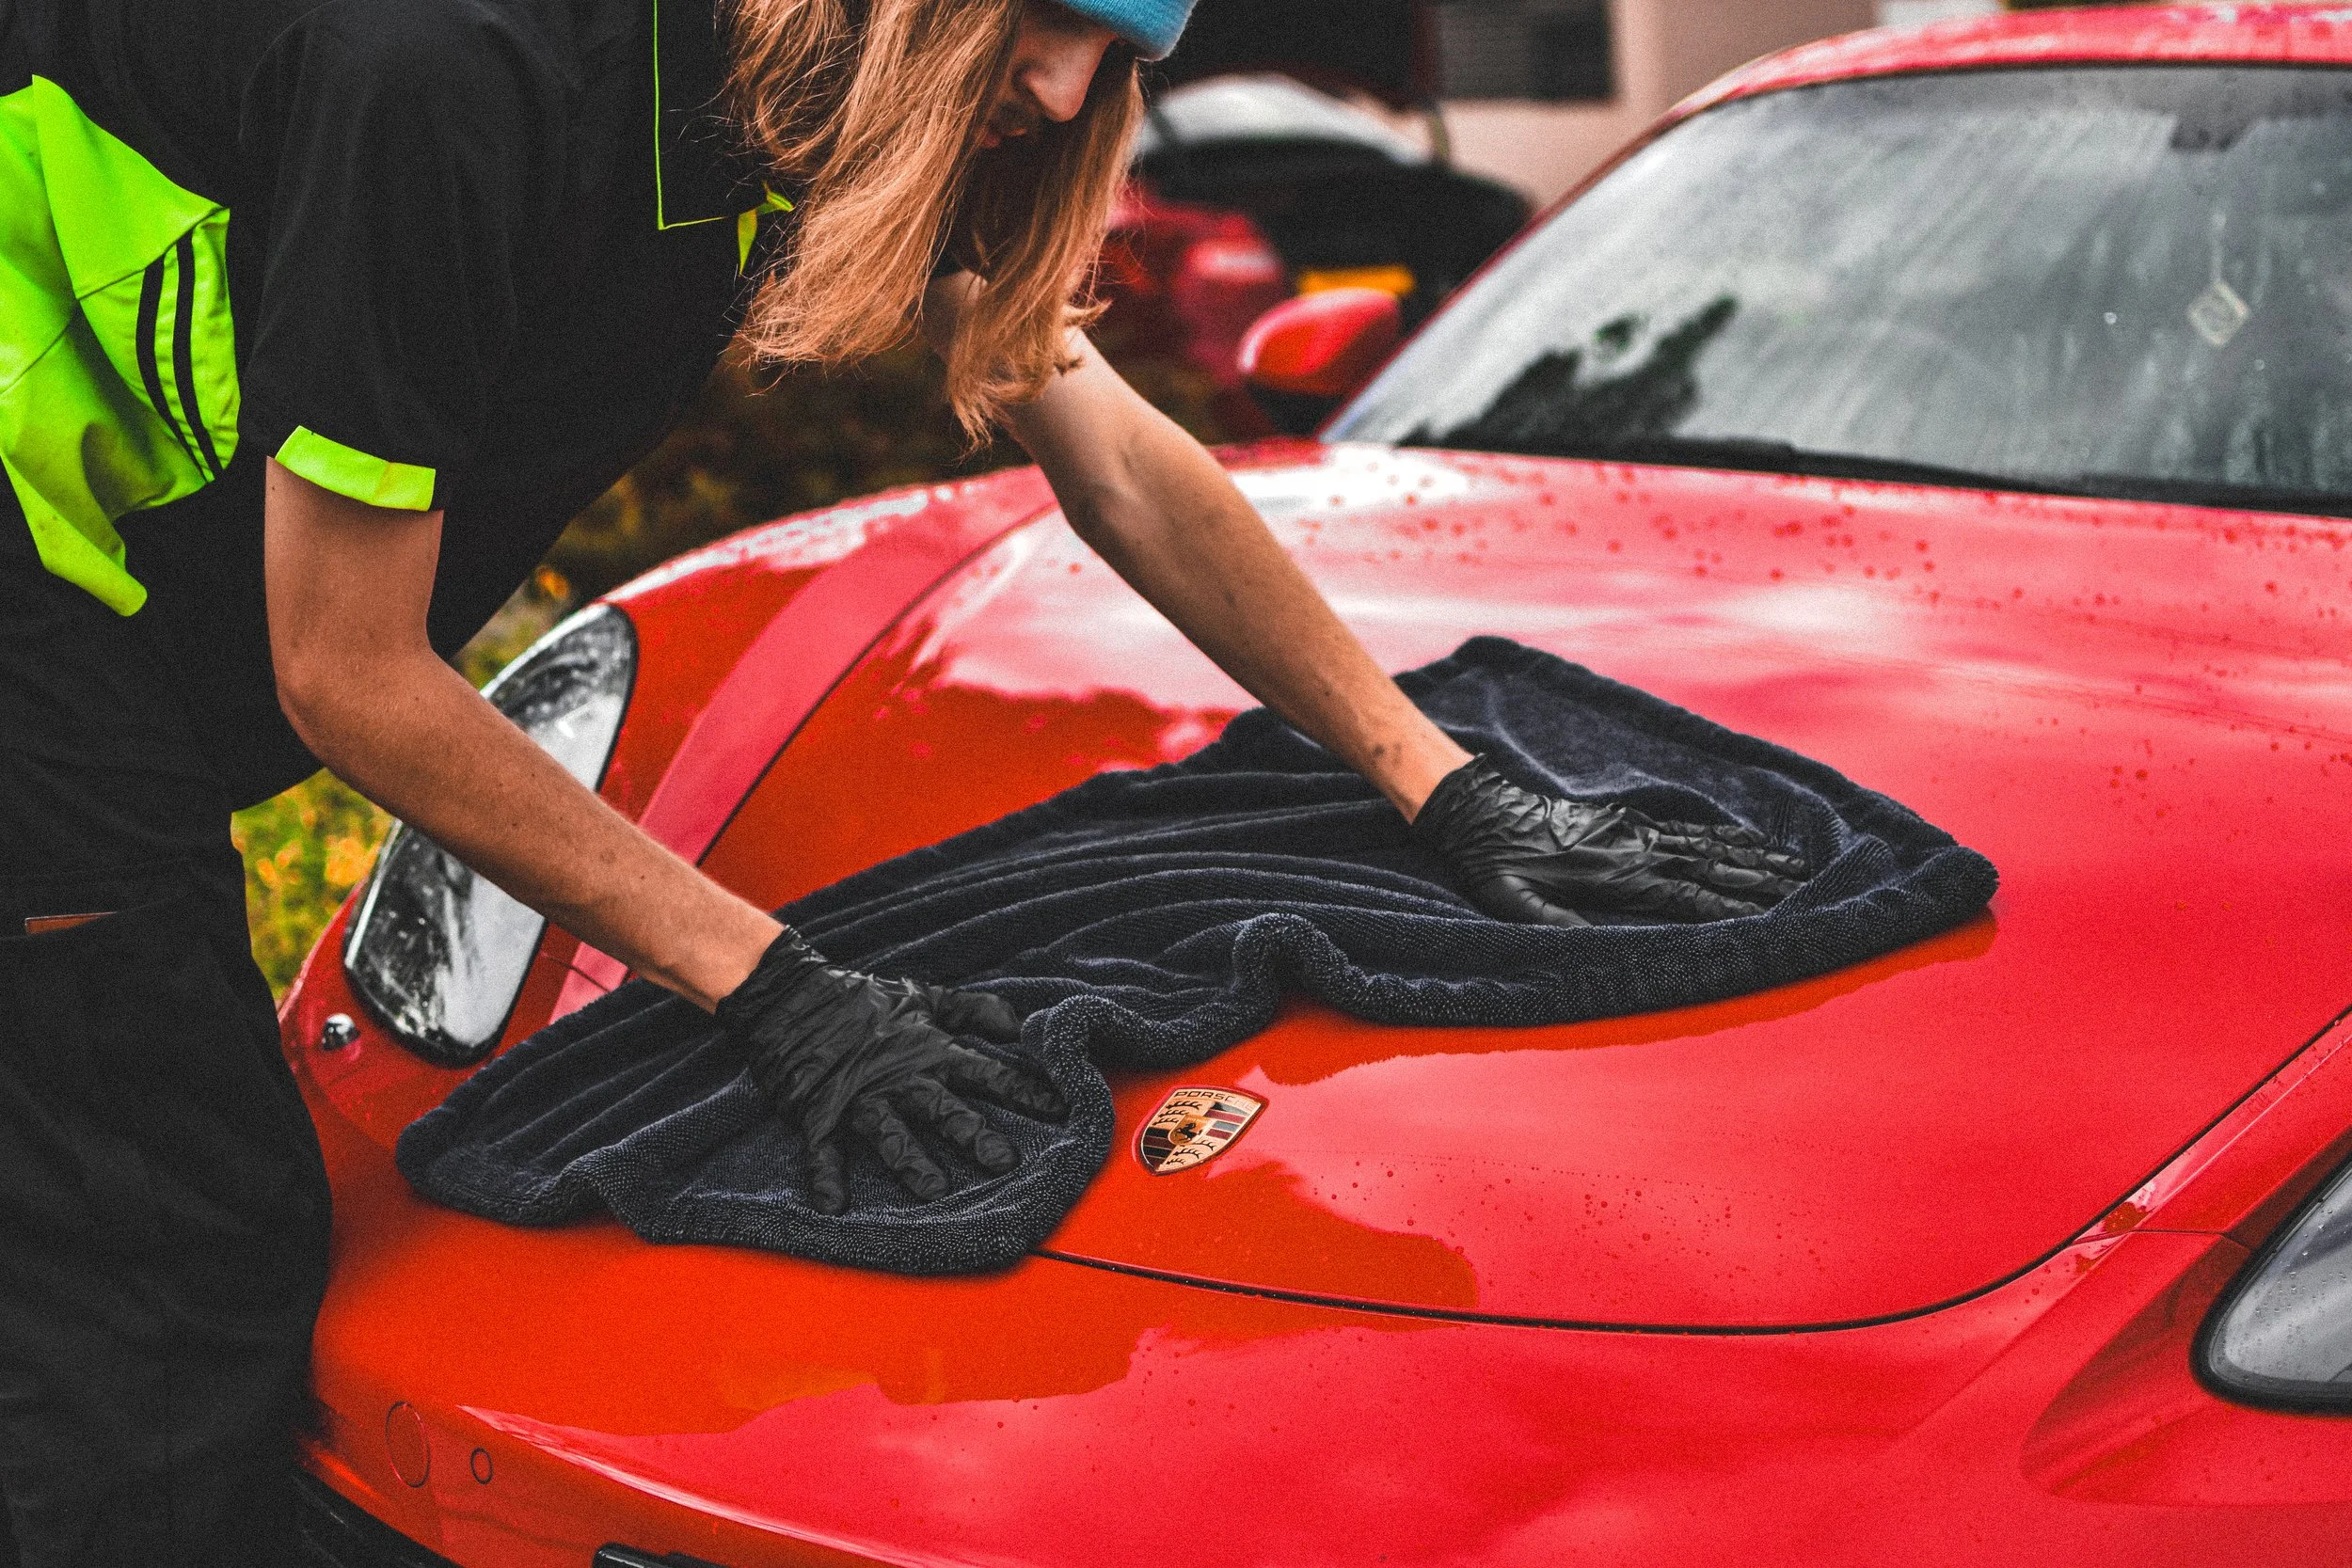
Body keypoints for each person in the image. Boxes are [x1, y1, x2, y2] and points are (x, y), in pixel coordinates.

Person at [0, 0, 1804, 1559]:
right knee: (171, 1280)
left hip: (129, 660)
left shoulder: (829, 82)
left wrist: (1440, 777)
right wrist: (777, 988)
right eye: (1046, 21)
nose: (1056, 88)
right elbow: (352, 674)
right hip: (39, 642)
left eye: (1118, 56)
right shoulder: (452, 75)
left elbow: (1106, 447)